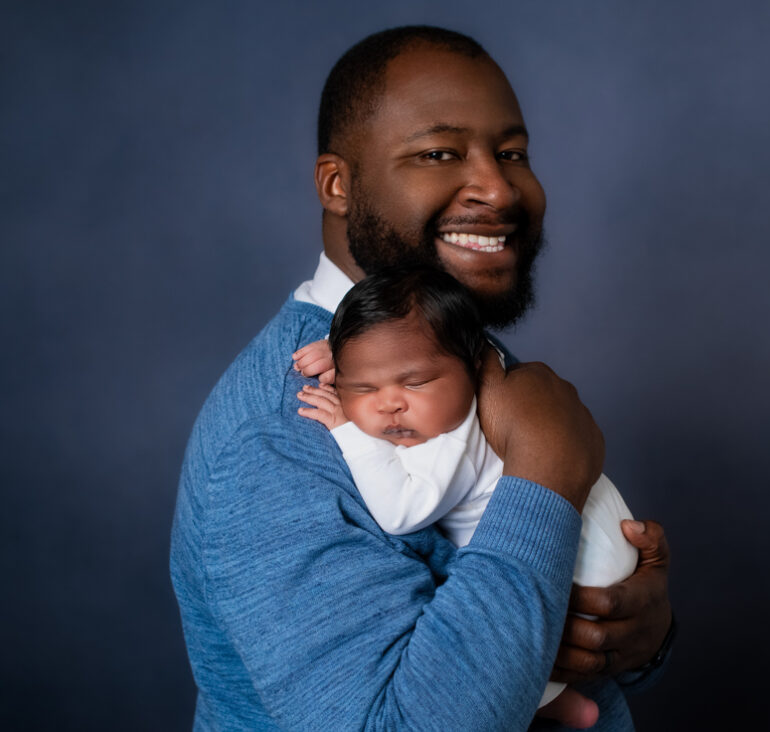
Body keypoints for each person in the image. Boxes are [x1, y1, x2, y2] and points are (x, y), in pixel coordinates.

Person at [171, 25, 673, 731]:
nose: (499, 187)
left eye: (513, 153)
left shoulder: (454, 355)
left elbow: (533, 604)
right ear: (338, 185)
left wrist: (637, 636)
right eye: (439, 153)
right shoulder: (287, 425)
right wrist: (547, 473)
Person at [294, 267, 640, 712]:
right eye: (362, 386)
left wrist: (349, 430)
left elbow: (401, 512)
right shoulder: (446, 380)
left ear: (472, 366)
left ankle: (552, 699)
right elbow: (405, 350)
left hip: (586, 565)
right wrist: (346, 354)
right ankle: (564, 702)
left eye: (414, 382)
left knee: (518, 650)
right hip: (602, 538)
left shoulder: (450, 440)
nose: (389, 403)